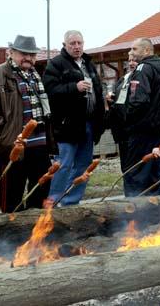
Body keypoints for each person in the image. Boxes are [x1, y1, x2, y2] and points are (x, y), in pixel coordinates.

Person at [0, 35, 53, 212]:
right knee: (11, 198)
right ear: (11, 53)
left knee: (41, 193)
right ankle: (10, 238)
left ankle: (35, 236)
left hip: (39, 145)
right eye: (23, 54)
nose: (28, 58)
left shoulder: (35, 75)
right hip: (13, 146)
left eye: (32, 54)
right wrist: (5, 137)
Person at [44, 30, 104, 206]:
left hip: (89, 124)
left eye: (79, 43)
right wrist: (74, 87)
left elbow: (97, 91)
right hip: (67, 125)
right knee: (63, 165)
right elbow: (51, 91)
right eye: (72, 44)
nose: (77, 47)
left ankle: (71, 202)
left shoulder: (88, 63)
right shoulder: (55, 64)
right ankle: (53, 203)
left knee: (83, 166)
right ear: (64, 45)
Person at [123, 38, 160, 196]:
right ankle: (155, 211)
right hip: (157, 130)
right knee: (154, 173)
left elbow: (138, 101)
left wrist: (127, 120)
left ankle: (134, 216)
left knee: (136, 174)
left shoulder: (143, 69)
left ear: (147, 51)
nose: (131, 52)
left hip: (141, 131)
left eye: (134, 49)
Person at [106, 53, 137, 175]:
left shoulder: (142, 78)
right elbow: (115, 97)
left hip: (134, 127)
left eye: (134, 60)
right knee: (125, 165)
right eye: (129, 61)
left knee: (136, 164)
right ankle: (129, 190)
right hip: (121, 128)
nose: (131, 63)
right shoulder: (124, 78)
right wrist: (110, 100)